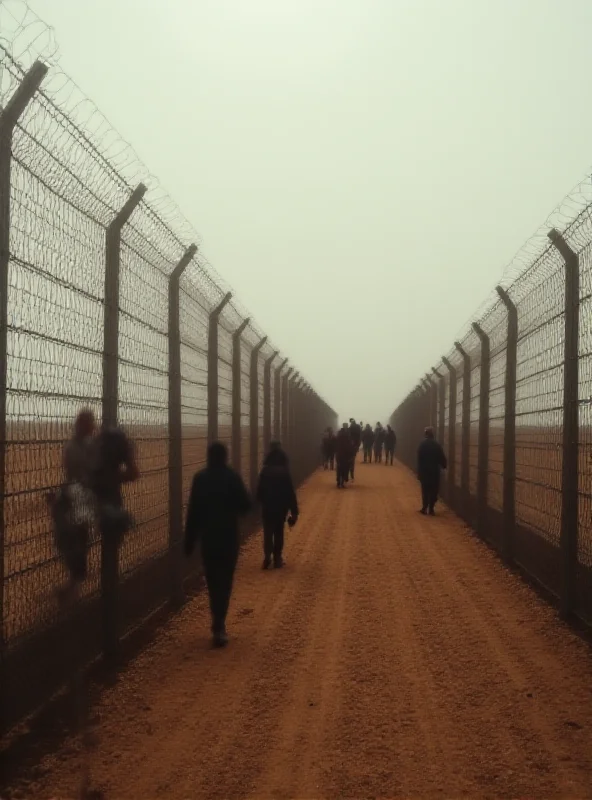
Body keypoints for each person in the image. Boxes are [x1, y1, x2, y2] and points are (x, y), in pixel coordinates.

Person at [184, 442, 251, 647]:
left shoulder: (200, 479)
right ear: (225, 456)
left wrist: (189, 540)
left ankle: (217, 621)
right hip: (229, 537)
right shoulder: (232, 477)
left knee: (212, 580)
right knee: (226, 580)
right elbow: (246, 506)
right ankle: (220, 624)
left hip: (209, 538)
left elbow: (193, 512)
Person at [49, 409, 97, 606]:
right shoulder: (76, 447)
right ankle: (73, 585)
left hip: (82, 496)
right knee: (73, 540)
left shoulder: (86, 446)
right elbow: (73, 475)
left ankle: (73, 587)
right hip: (79, 495)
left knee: (79, 540)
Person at [256, 441, 299, 569]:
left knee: (268, 532)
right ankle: (277, 558)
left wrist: (261, 501)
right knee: (279, 532)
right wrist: (294, 510)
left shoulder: (265, 471)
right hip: (281, 507)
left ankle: (267, 556)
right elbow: (290, 492)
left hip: (268, 506)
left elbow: (259, 491)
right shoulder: (284, 472)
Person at [417, 426, 447, 516]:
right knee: (434, 489)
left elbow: (419, 459)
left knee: (425, 490)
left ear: (425, 434)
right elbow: (442, 458)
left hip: (424, 471)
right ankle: (431, 508)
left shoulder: (422, 445)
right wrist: (444, 465)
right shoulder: (437, 445)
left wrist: (419, 472)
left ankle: (424, 507)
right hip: (434, 471)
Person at [335, 423, 354, 489]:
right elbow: (350, 445)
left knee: (340, 468)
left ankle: (339, 482)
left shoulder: (339, 433)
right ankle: (341, 482)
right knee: (344, 468)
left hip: (340, 454)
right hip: (345, 454)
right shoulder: (348, 434)